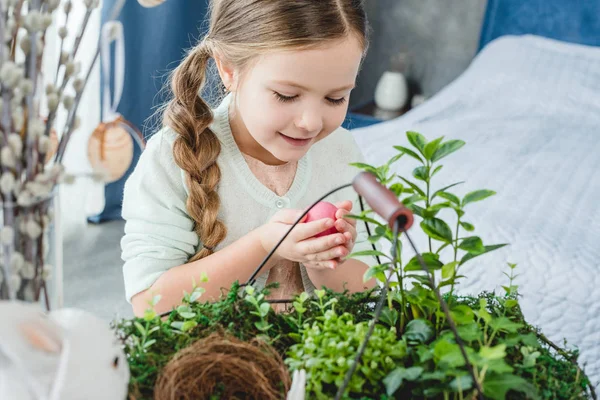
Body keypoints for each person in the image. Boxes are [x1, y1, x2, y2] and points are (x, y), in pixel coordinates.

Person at [121, 0, 378, 316]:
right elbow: (149, 302)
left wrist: (326, 260)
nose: (310, 122)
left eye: (335, 97)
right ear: (228, 70)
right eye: (286, 95)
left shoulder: (341, 151)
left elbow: (366, 285)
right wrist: (264, 246)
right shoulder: (172, 158)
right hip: (217, 360)